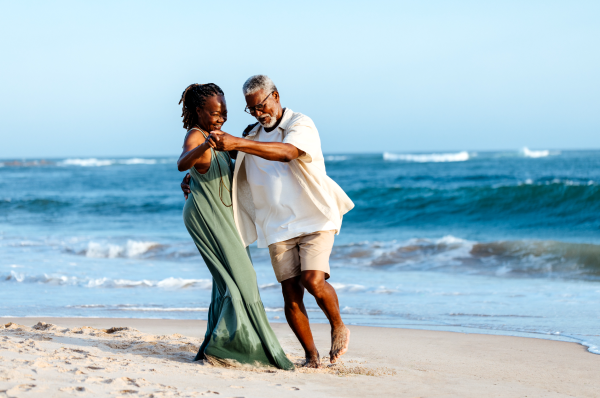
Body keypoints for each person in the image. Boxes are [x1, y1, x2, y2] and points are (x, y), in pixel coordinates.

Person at [181, 75, 354, 368]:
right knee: (290, 293)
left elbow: (288, 153)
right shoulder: (252, 134)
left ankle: (338, 324)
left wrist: (238, 143)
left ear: (275, 95)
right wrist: (194, 176)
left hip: (314, 218)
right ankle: (311, 357)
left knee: (313, 280)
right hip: (277, 225)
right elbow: (221, 161)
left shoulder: (300, 124)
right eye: (252, 109)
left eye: (261, 106)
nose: (259, 114)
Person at [177, 82, 294, 370]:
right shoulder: (196, 134)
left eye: (225, 112)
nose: (221, 118)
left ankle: (218, 346)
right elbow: (182, 162)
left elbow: (239, 161)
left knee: (229, 282)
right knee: (242, 281)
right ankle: (242, 347)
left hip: (227, 216)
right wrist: (204, 147)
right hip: (207, 215)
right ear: (198, 111)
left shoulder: (219, 136)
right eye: (215, 113)